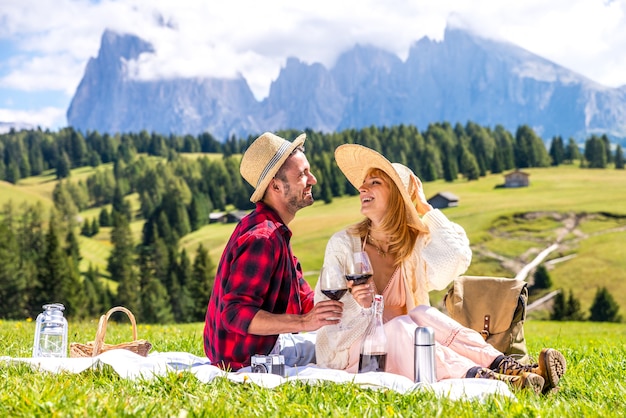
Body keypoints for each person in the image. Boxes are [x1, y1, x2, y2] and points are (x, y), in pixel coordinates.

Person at [314, 144, 566, 394]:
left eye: (375, 182)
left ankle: (516, 370)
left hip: (407, 341)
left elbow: (457, 256)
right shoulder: (343, 244)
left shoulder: (412, 246)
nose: (362, 187)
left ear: (398, 197)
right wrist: (360, 306)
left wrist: (424, 207)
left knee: (424, 313)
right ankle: (491, 379)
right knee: (403, 326)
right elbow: (328, 312)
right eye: (363, 183)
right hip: (352, 353)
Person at [203, 132, 343, 370]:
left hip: (255, 347)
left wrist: (346, 300)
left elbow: (303, 299)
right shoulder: (263, 238)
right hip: (248, 358)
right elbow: (235, 314)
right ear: (276, 186)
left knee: (339, 339)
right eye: (302, 174)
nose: (313, 180)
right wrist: (304, 322)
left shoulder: (272, 230)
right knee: (345, 352)